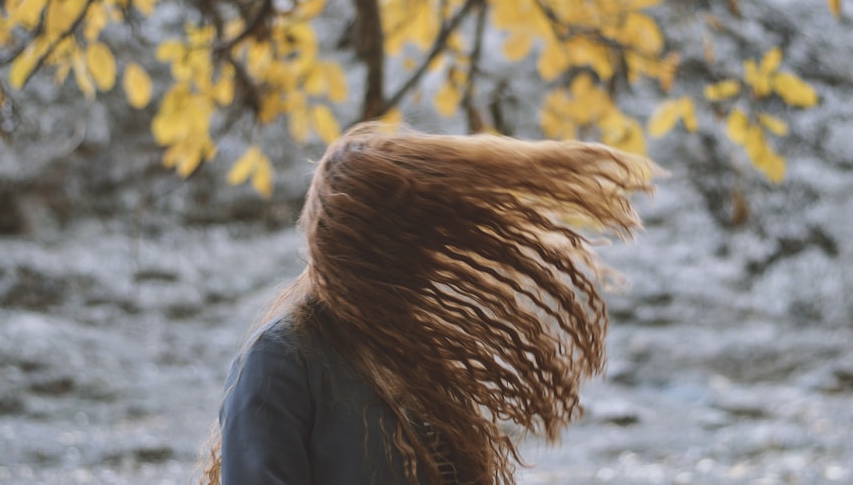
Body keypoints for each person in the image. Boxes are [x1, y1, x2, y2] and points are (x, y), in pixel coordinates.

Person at [197, 122, 661, 485]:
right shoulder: (280, 362)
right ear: (368, 256)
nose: (429, 264)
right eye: (412, 249)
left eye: (428, 247)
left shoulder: (410, 355)